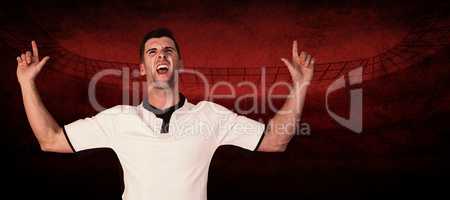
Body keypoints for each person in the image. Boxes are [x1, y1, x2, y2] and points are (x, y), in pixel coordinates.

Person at [16, 28, 315, 200]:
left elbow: (276, 141)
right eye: (153, 52)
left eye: (168, 51)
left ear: (179, 63)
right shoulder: (118, 119)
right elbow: (51, 140)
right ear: (142, 68)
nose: (161, 55)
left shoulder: (209, 116)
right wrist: (26, 84)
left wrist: (300, 85)